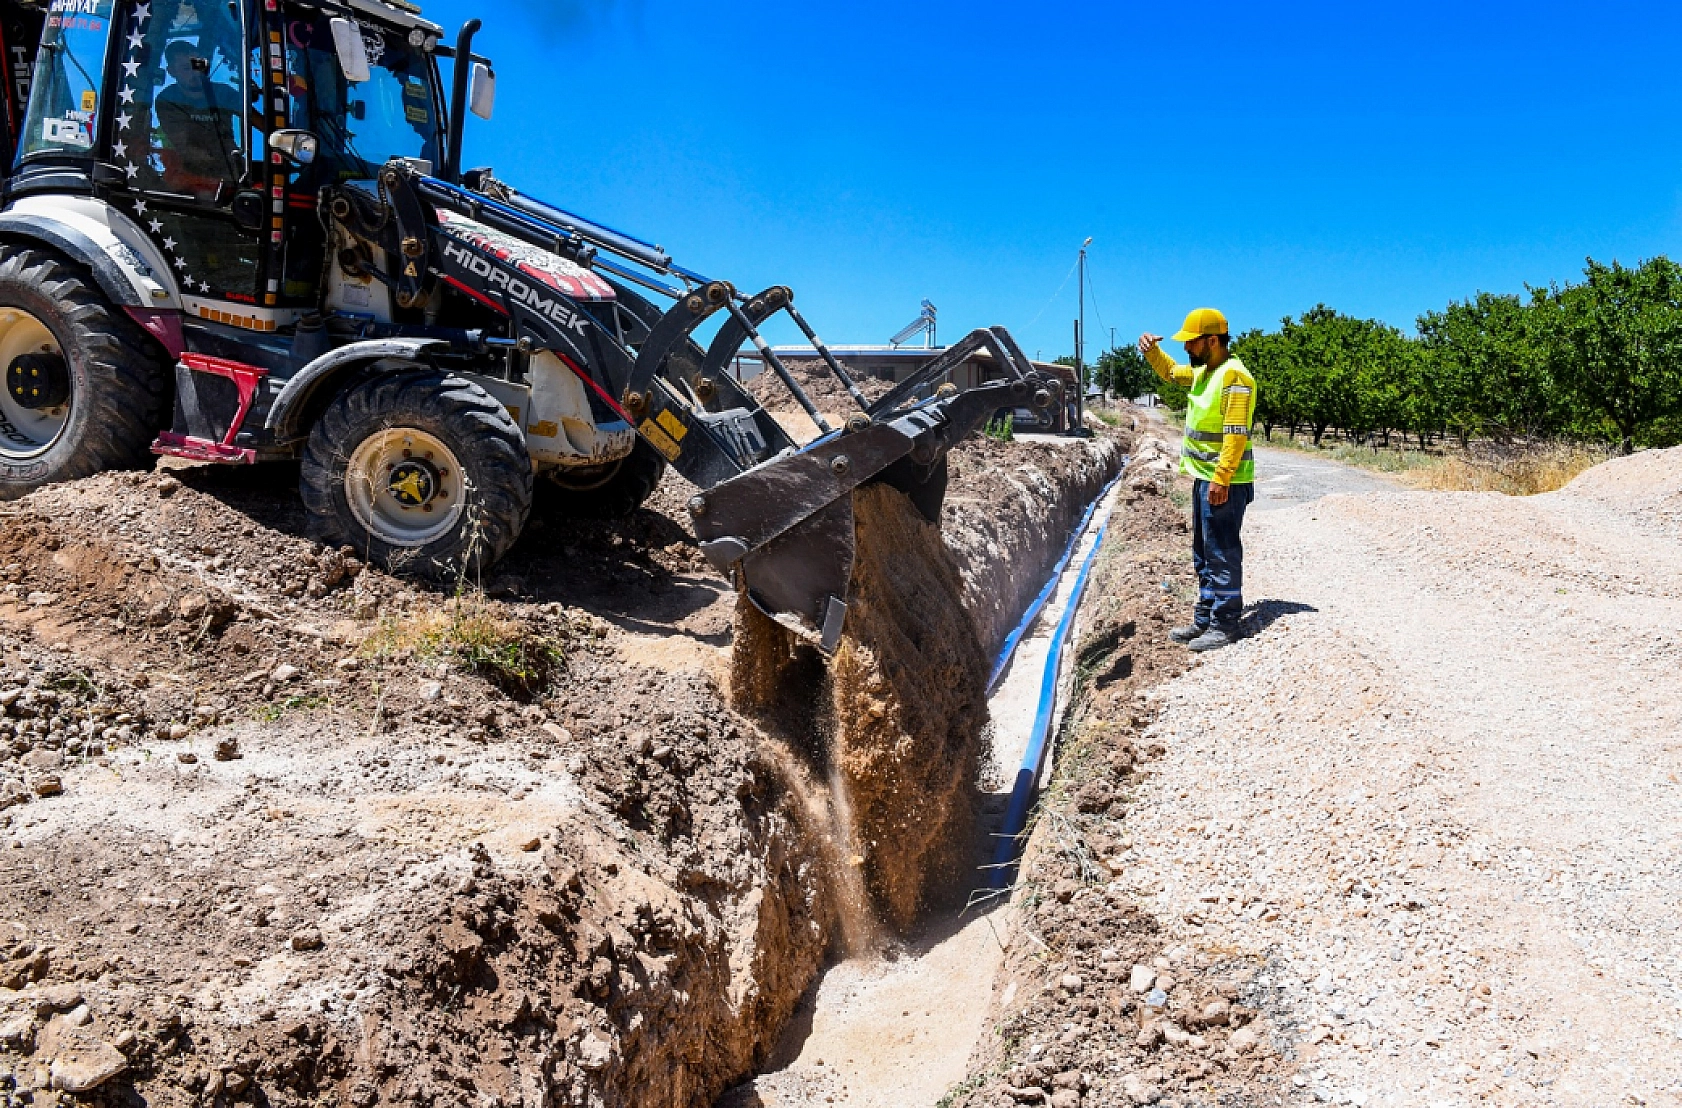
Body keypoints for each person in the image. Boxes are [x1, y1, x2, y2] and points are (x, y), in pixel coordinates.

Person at [1138, 308, 1257, 652]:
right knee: (1204, 553)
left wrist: (1221, 479)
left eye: (1192, 343)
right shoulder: (1207, 371)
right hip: (1205, 478)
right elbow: (1173, 373)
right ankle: (1205, 618)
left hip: (1224, 482)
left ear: (1212, 340)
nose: (1187, 349)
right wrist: (1151, 353)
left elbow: (1235, 435)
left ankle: (1225, 624)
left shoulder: (1235, 377)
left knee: (1222, 552)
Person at [154, 39, 244, 198]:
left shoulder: (223, 93)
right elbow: (186, 147)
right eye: (185, 69)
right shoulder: (167, 100)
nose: (194, 73)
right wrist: (218, 178)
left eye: (197, 66)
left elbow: (257, 120)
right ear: (171, 71)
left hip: (233, 170)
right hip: (192, 175)